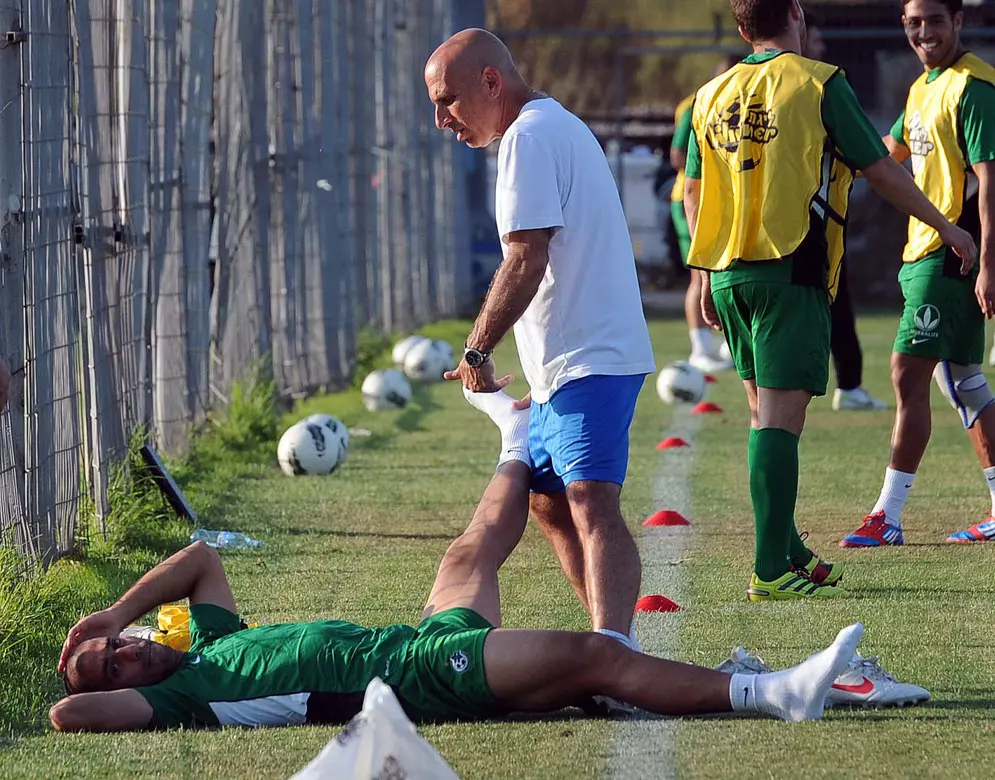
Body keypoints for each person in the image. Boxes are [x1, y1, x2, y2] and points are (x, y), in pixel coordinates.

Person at [50, 394, 867, 732]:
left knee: (471, 549)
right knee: (593, 653)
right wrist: (91, 674)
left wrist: (112, 616)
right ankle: (772, 692)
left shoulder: (206, 644)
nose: (122, 651)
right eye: (111, 664)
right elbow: (66, 716)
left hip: (411, 642)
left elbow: (196, 558)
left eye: (116, 645)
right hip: (413, 678)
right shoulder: (183, 695)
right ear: (125, 685)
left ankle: (516, 433)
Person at [683, 0, 977, 599]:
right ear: (795, 14)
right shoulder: (819, 82)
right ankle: (770, 569)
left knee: (763, 416)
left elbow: (692, 189)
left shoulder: (709, 95)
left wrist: (703, 272)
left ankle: (786, 544)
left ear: (742, 28)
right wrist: (947, 226)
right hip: (789, 268)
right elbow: (881, 170)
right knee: (782, 425)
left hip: (730, 274)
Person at [424, 30, 656, 649]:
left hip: (594, 358)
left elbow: (526, 260)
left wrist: (476, 349)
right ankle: (610, 644)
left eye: (448, 100)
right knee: (550, 503)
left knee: (589, 499)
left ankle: (614, 650)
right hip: (565, 367)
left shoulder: (528, 136)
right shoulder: (544, 127)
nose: (442, 119)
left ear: (491, 83)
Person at [841, 0, 995, 547]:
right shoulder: (921, 87)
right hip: (923, 251)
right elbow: (890, 150)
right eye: (913, 22)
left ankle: (888, 516)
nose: (923, 32)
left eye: (934, 20)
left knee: (908, 372)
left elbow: (989, 182)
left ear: (958, 21)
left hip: (950, 253)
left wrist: (988, 263)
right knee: (964, 382)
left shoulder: (973, 87)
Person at [804, 18, 888, 412]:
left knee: (838, 302)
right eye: (814, 36)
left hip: (815, 224)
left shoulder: (823, 84)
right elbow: (876, 162)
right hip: (806, 228)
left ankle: (849, 384)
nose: (820, 44)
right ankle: (846, 385)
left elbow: (876, 152)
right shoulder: (821, 86)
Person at [672, 59, 738, 373]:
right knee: (700, 273)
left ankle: (726, 344)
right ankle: (699, 347)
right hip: (691, 199)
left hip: (724, 200)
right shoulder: (697, 102)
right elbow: (678, 154)